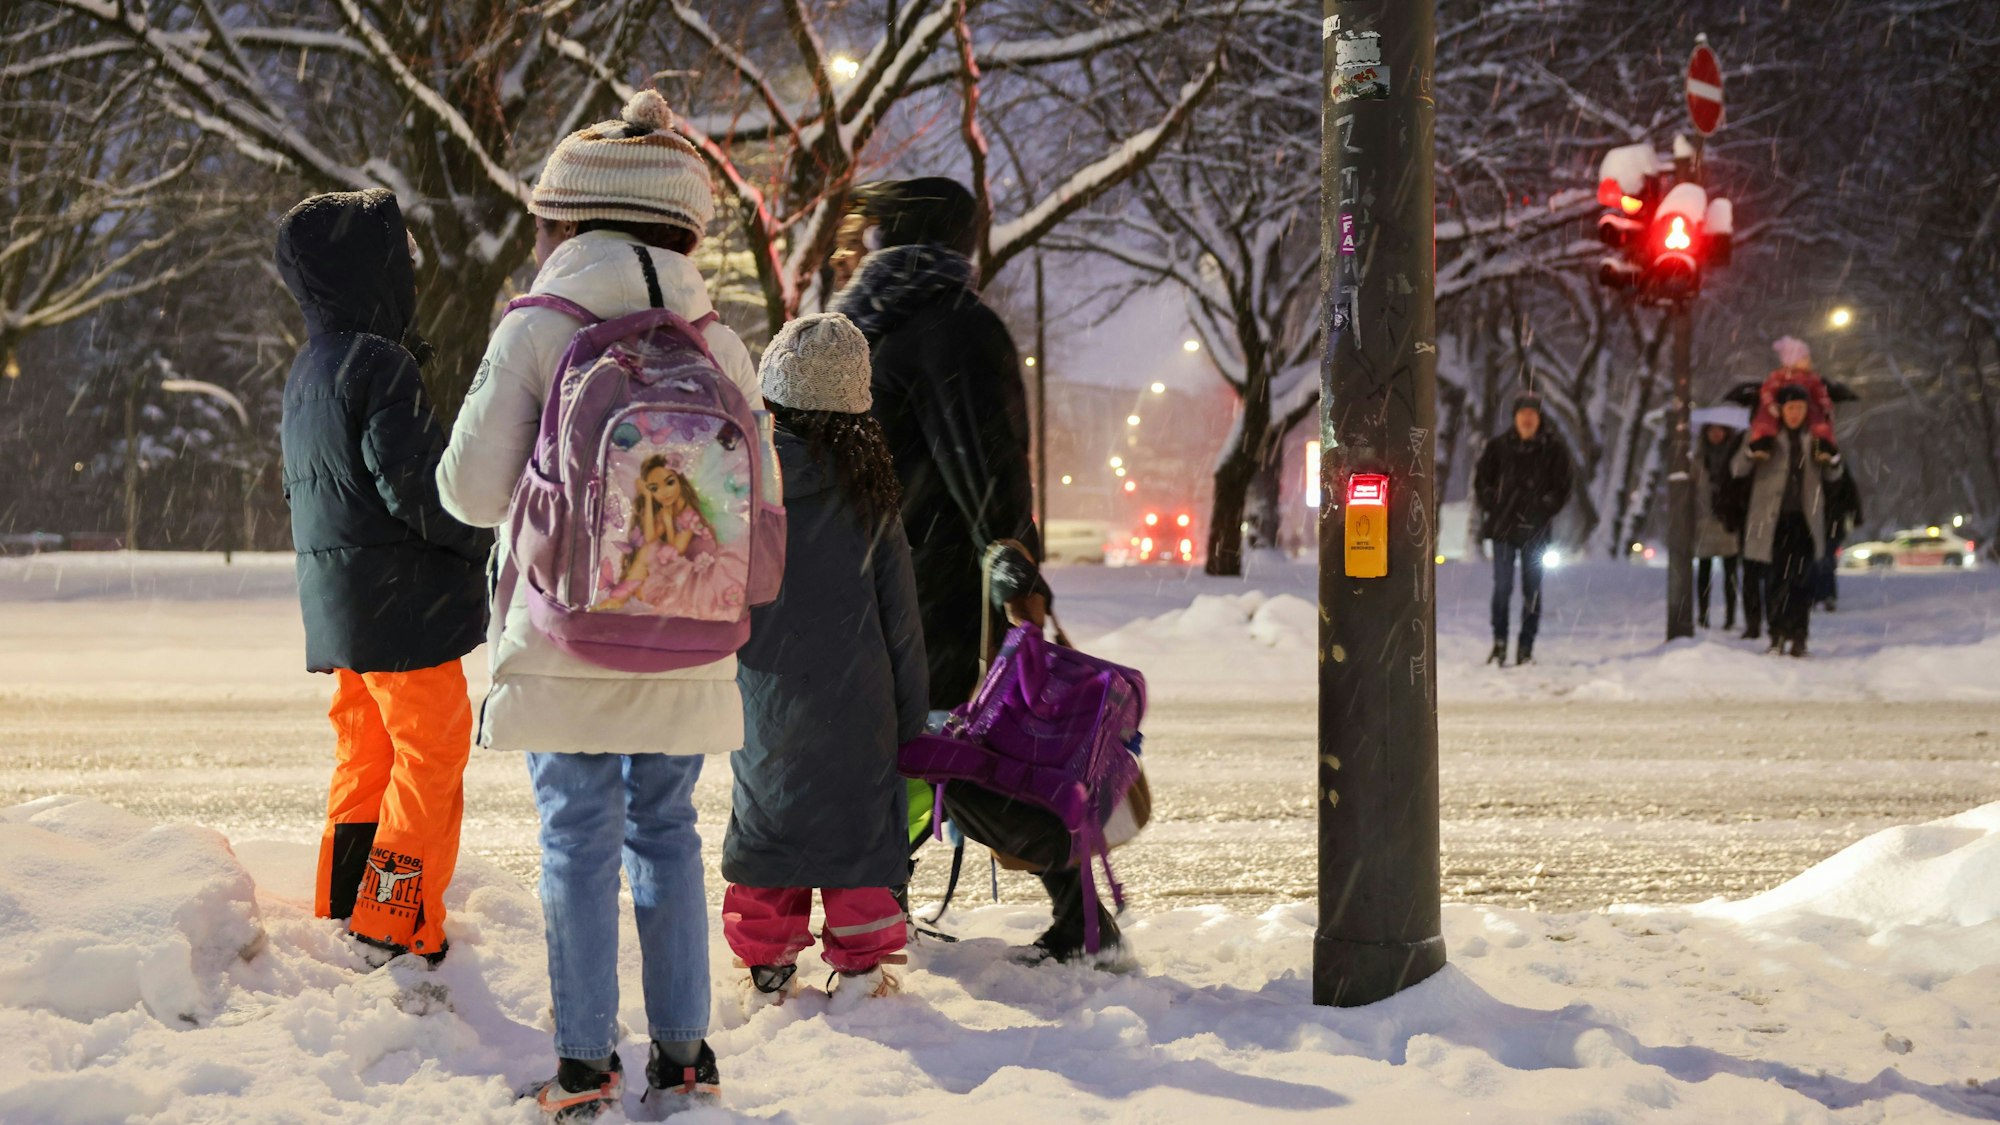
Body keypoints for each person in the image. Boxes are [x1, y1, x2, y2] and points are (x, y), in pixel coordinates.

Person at [436, 91, 758, 1119]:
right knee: (667, 830)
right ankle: (686, 1055)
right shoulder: (722, 343)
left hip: (568, 630)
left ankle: (583, 1067)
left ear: (563, 221)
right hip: (693, 633)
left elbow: (469, 491)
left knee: (575, 836)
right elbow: (761, 513)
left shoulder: (540, 326)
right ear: (682, 227)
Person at [276, 188, 487, 968]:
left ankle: (345, 893)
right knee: (430, 754)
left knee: (366, 752)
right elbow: (419, 489)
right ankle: (393, 916)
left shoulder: (311, 368)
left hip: (342, 610)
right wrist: (481, 541)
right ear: (375, 272)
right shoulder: (381, 364)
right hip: (403, 609)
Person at [721, 314, 929, 1011]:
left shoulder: (747, 481)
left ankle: (767, 957)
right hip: (858, 705)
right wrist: (909, 722)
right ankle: (865, 961)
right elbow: (902, 622)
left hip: (765, 696)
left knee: (769, 824)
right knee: (857, 832)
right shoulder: (870, 495)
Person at [829, 178, 1044, 712]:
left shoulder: (864, 328)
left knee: (882, 745)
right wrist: (1018, 573)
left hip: (858, 582)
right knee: (934, 741)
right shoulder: (957, 327)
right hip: (936, 589)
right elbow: (987, 467)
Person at [1732, 385, 1844, 658]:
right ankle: (1777, 634)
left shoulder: (1816, 437)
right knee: (1775, 580)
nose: (1795, 414)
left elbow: (1833, 474)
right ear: (1780, 410)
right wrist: (1751, 451)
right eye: (1790, 408)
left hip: (1804, 520)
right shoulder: (1763, 434)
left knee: (1802, 581)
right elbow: (1737, 469)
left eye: (1800, 408)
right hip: (1773, 521)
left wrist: (1833, 458)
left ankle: (1799, 636)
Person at [1474, 393, 1573, 666]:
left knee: (1533, 590)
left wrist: (1544, 506)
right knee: (1502, 588)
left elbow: (1563, 486)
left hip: (1536, 530)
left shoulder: (1553, 449)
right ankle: (1500, 643)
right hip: (1503, 528)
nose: (1527, 419)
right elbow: (1481, 482)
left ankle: (1526, 647)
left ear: (1539, 419)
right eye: (1523, 414)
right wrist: (1495, 503)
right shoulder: (1497, 448)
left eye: (1532, 414)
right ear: (1515, 417)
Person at [1691, 421, 1746, 630]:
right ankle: (1703, 615)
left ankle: (1730, 616)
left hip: (1727, 520)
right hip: (1705, 519)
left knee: (1730, 571)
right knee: (1704, 572)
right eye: (1711, 430)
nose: (1715, 434)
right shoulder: (1699, 458)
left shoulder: (1733, 456)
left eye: (1719, 429)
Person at [1746, 337, 1837, 453]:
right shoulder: (1780, 376)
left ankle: (1822, 445)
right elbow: (1768, 390)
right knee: (1767, 418)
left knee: (1819, 419)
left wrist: (1825, 404)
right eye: (1804, 358)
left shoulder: (1812, 378)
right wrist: (1770, 404)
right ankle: (1764, 442)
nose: (1808, 361)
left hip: (1806, 407)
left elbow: (1820, 392)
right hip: (1782, 406)